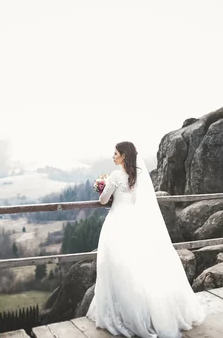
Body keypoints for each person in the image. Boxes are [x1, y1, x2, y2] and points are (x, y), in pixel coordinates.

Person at [86, 141, 205, 338]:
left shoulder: (116, 176)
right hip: (135, 224)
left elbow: (103, 201)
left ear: (124, 155)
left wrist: (102, 187)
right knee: (137, 268)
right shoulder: (139, 175)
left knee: (118, 268)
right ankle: (148, 312)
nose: (113, 156)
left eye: (115, 153)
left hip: (117, 225)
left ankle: (126, 313)